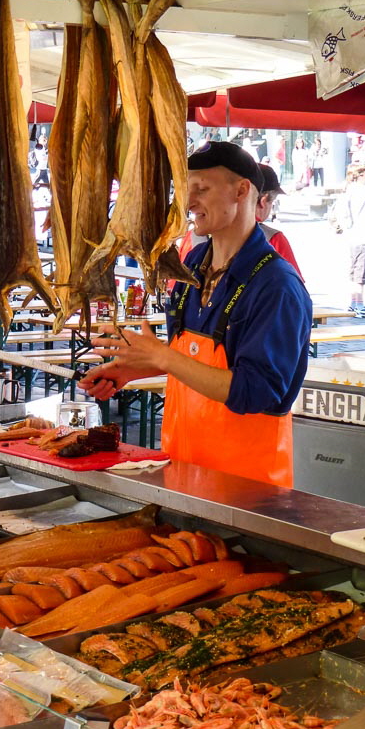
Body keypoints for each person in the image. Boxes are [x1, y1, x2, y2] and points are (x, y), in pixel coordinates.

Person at [79, 141, 312, 488]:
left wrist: (161, 355)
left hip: (248, 490)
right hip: (182, 471)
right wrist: (134, 369)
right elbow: (192, 358)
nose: (189, 203)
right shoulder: (192, 266)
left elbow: (256, 391)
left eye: (202, 189)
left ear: (242, 190)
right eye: (187, 190)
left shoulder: (276, 285)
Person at [333, 163, 365, 318]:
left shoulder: (349, 189)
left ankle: (355, 303)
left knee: (355, 271)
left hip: (353, 236)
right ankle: (359, 305)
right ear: (361, 175)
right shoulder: (361, 190)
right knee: (360, 273)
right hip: (362, 236)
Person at [257, 164, 303, 277]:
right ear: (263, 201)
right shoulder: (272, 238)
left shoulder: (213, 234)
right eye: (272, 201)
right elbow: (295, 287)